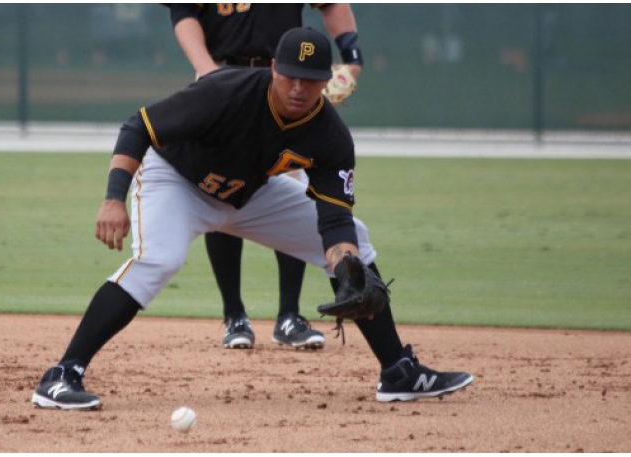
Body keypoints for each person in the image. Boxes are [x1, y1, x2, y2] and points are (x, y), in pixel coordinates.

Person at [31, 28, 474, 411]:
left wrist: (345, 266)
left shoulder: (331, 135)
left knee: (357, 242)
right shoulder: (226, 91)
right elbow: (139, 127)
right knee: (158, 261)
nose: (299, 87)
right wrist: (114, 198)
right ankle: (62, 375)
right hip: (177, 181)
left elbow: (334, 218)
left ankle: (398, 372)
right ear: (273, 70)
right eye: (290, 76)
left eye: (311, 79)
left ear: (327, 82)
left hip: (250, 193)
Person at [168, 3, 364, 350]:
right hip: (227, 80)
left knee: (293, 193)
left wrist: (352, 57)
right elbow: (183, 12)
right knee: (221, 189)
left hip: (289, 82)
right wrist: (206, 69)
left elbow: (331, 4)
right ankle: (234, 315)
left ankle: (289, 315)